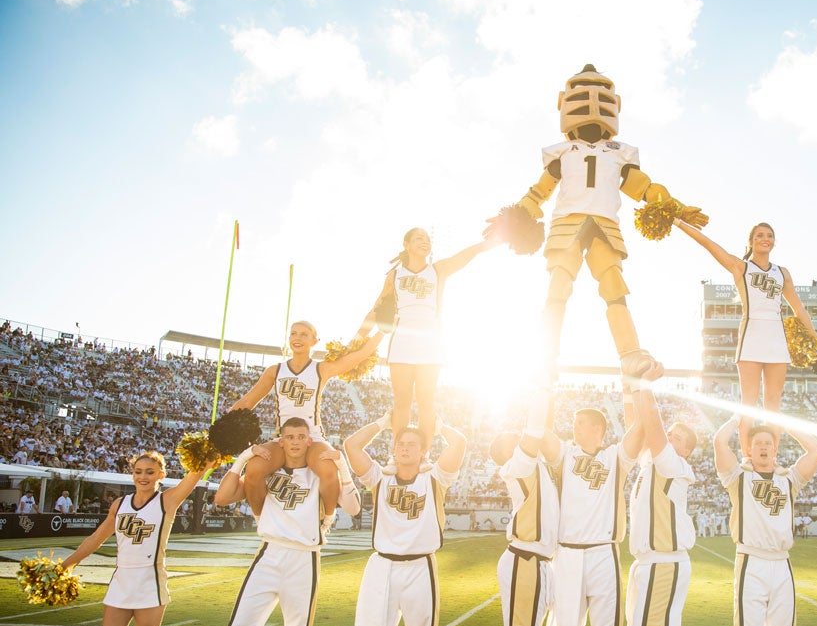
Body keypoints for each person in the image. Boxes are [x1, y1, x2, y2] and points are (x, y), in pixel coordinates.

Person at [500, 64, 705, 379]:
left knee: (614, 288)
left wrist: (673, 207)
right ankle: (544, 355)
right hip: (567, 224)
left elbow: (645, 188)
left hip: (604, 226)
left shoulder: (618, 153)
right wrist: (516, 215)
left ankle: (630, 354)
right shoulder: (563, 152)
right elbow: (538, 192)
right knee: (558, 286)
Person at [203, 417, 347, 626]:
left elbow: (344, 499)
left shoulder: (319, 472)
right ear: (280, 441)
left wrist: (337, 481)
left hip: (304, 558)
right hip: (269, 554)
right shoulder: (267, 474)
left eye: (300, 437)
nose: (295, 442)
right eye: (289, 437)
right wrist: (243, 458)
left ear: (309, 441)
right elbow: (222, 496)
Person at [62, 449, 215, 626]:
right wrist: (66, 565)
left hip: (151, 585)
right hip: (121, 584)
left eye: (149, 472)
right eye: (138, 472)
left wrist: (208, 457)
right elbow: (97, 538)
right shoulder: (120, 504)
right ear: (132, 474)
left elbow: (195, 475)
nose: (143, 477)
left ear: (161, 475)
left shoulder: (167, 501)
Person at [338, 413, 467, 626]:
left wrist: (436, 425)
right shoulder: (379, 478)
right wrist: (383, 423)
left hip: (420, 566)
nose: (405, 448)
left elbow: (460, 443)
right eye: (400, 444)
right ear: (393, 449)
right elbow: (351, 445)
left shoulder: (434, 478)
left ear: (424, 451)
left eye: (412, 445)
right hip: (382, 567)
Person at [714, 417, 817, 626]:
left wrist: (786, 425)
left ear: (776, 450)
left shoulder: (789, 480)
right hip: (751, 561)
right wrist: (737, 419)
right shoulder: (738, 477)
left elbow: (815, 448)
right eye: (758, 443)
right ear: (748, 448)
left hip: (782, 563)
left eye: (769, 444)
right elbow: (719, 443)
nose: (763, 447)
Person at [674, 220, 817, 456]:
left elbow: (799, 309)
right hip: (751, 335)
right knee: (748, 403)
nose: (765, 239)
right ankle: (747, 455)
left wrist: (814, 338)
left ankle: (770, 456)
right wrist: (679, 223)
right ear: (750, 242)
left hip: (777, 340)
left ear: (774, 242)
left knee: (773, 404)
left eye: (769, 235)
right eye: (759, 235)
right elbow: (709, 244)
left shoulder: (782, 273)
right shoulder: (741, 267)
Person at [543, 401, 637, 626]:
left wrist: (639, 387)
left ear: (597, 429)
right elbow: (541, 432)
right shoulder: (565, 455)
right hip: (566, 554)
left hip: (602, 553)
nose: (574, 426)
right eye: (574, 421)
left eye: (580, 422)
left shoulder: (615, 457)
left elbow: (638, 432)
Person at [354, 228, 499, 445]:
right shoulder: (394, 276)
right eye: (419, 238)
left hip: (430, 342)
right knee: (402, 402)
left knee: (426, 402)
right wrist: (356, 340)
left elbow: (466, 255)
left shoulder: (438, 269)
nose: (425, 242)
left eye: (428, 239)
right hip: (402, 340)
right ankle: (398, 453)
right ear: (406, 244)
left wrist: (490, 242)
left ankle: (424, 454)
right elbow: (376, 310)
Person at [230, 320, 381, 523]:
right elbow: (248, 401)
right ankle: (260, 518)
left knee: (328, 470)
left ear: (314, 341)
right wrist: (220, 430)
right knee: (254, 469)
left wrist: (384, 330)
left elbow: (358, 356)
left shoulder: (321, 369)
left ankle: (326, 520)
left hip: (313, 437)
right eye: (293, 334)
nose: (297, 338)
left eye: (303, 334)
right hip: (282, 439)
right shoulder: (275, 371)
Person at [624, 385, 699, 626]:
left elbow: (651, 424)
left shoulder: (673, 462)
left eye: (679, 437)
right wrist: (629, 391)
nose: (671, 437)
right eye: (672, 433)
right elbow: (637, 427)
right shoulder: (652, 462)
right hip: (649, 563)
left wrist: (643, 386)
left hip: (664, 562)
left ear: (685, 450)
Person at [489, 387, 559, 626]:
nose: (521, 438)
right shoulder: (517, 463)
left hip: (538, 561)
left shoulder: (533, 467)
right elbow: (535, 432)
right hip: (524, 559)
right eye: (513, 439)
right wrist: (542, 388)